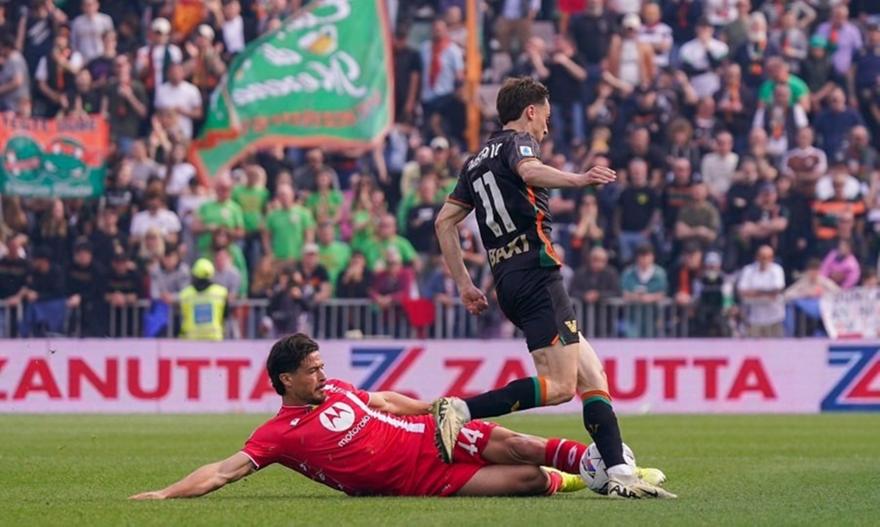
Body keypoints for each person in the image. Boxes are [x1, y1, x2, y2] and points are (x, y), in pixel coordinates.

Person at [431, 77, 672, 499]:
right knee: (559, 386)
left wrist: (465, 284)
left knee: (592, 375)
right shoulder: (518, 143)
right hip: (537, 272)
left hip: (508, 278)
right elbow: (530, 171)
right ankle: (462, 408)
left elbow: (443, 222)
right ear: (530, 111)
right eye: (545, 115)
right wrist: (579, 179)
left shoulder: (474, 162)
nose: (546, 125)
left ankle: (619, 473)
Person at [129, 334, 668, 500]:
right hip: (418, 480)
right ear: (286, 380)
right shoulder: (277, 435)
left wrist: (436, 408)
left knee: (521, 445)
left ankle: (614, 468)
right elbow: (223, 471)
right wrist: (164, 494)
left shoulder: (337, 391)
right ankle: (583, 476)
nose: (323, 375)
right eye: (312, 371)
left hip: (429, 434)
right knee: (526, 480)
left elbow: (384, 401)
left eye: (322, 366)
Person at [737, 245, 786, 338]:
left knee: (775, 345)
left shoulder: (777, 269)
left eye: (769, 257)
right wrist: (767, 293)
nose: (765, 260)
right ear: (757, 257)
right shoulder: (748, 270)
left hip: (774, 317)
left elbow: (777, 290)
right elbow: (742, 291)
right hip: (753, 317)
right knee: (752, 345)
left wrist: (754, 292)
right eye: (763, 257)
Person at [179, 258, 228, 341]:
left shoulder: (186, 293)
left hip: (191, 338)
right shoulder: (221, 292)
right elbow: (225, 315)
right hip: (214, 338)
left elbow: (184, 314)